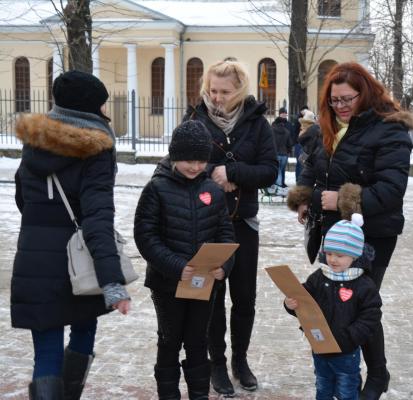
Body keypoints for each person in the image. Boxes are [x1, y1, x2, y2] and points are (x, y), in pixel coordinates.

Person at [287, 62, 413, 400]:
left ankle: (376, 374)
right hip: (333, 235)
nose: (341, 106)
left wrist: (343, 200)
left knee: (362, 302)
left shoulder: (390, 130)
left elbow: (391, 190)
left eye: (348, 99)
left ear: (366, 93)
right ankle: (347, 368)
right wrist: (304, 198)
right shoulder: (323, 128)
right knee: (337, 303)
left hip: (373, 234)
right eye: (334, 100)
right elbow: (310, 168)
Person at [11, 70, 131, 398]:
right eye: (103, 106)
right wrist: (111, 281)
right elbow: (97, 218)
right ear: (90, 110)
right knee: (82, 332)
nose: (106, 113)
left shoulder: (34, 142)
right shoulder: (96, 149)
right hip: (81, 260)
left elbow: (23, 199)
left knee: (46, 352)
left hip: (34, 260)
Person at [183, 60, 278, 396]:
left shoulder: (257, 124)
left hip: (243, 223)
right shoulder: (195, 119)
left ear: (239, 91)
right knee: (211, 297)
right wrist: (213, 173)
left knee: (244, 297)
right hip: (205, 223)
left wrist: (234, 174)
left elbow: (270, 170)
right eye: (212, 90)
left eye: (224, 91)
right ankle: (217, 363)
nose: (217, 98)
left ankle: (240, 359)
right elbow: (179, 161)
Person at [134, 120, 236, 399]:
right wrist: (177, 267)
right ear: (175, 156)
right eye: (189, 160)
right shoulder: (156, 188)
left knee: (197, 341)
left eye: (201, 160)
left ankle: (199, 394)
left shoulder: (213, 191)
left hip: (204, 284)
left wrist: (224, 266)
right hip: (167, 285)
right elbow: (146, 237)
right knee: (169, 341)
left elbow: (226, 233)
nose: (195, 166)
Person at [284, 215, 382, 400]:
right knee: (322, 387)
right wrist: (291, 304)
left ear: (354, 255)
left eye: (339, 255)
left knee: (346, 391)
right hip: (320, 348)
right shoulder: (319, 278)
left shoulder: (364, 285)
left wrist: (348, 338)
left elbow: (371, 317)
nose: (333, 260)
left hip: (346, 352)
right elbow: (303, 299)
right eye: (329, 253)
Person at [270, 114, 294, 195]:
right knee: (281, 171)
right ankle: (279, 187)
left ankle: (278, 188)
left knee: (278, 171)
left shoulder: (272, 130)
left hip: (275, 154)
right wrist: (288, 151)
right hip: (284, 155)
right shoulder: (287, 132)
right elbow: (290, 144)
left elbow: (269, 142)